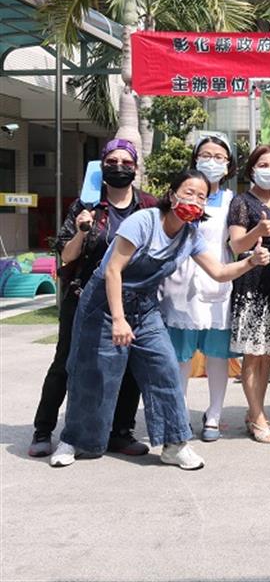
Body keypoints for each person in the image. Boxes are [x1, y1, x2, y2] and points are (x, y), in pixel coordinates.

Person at [49, 169, 270, 469]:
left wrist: (251, 262)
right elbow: (113, 270)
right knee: (93, 374)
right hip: (103, 304)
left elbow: (219, 272)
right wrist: (118, 319)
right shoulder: (144, 221)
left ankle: (174, 444)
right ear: (172, 194)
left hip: (144, 307)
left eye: (202, 197)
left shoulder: (191, 235)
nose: (195, 200)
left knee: (165, 367)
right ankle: (73, 440)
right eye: (189, 192)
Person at [28, 139, 154, 459]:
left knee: (128, 366)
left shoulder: (147, 206)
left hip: (131, 299)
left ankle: (120, 432)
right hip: (84, 297)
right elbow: (66, 256)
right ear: (102, 165)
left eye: (126, 163)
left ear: (135, 168)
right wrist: (82, 230)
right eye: (112, 162)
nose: (119, 167)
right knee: (67, 363)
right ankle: (43, 429)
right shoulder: (86, 206)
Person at [160, 135, 240, 443]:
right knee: (180, 356)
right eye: (206, 155)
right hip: (179, 286)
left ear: (229, 165)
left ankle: (214, 414)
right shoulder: (177, 198)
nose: (212, 161)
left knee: (217, 355)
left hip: (217, 286)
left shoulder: (232, 201)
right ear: (195, 160)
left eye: (219, 157)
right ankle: (180, 414)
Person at [228, 144, 270, 443]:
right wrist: (257, 231)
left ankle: (256, 411)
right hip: (252, 280)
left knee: (268, 354)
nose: (269, 170)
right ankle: (256, 417)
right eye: (263, 165)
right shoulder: (242, 202)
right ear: (252, 169)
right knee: (253, 353)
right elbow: (236, 245)